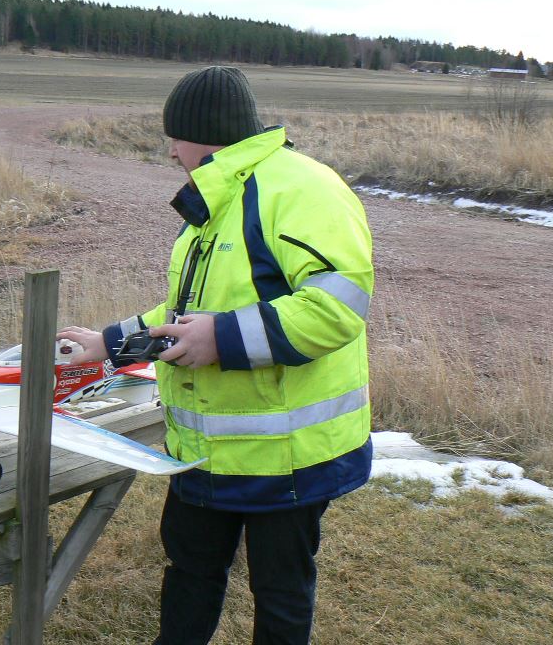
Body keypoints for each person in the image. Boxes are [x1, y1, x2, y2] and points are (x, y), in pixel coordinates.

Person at [57, 66, 373, 645]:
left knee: (279, 590)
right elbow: (187, 313)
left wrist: (221, 339)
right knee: (190, 572)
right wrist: (109, 344)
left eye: (171, 138)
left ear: (197, 135)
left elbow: (337, 310)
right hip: (205, 452)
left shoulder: (304, 189)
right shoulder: (217, 198)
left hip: (287, 459)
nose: (171, 152)